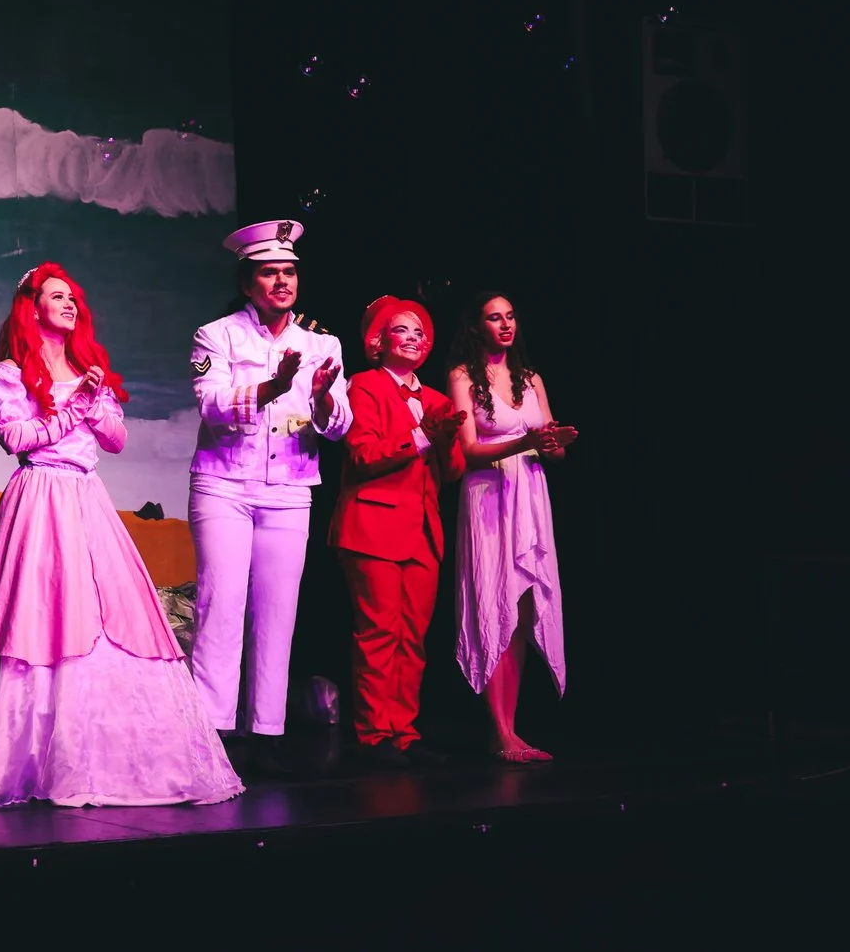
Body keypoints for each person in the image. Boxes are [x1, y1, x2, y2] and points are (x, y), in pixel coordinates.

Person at [0, 265, 243, 806]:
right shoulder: (9, 374)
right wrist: (76, 408)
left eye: (73, 298)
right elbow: (19, 437)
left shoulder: (89, 369)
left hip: (88, 500)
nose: (69, 304)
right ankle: (17, 759)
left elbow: (114, 439)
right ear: (31, 307)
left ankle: (101, 757)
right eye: (56, 296)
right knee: (31, 621)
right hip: (38, 499)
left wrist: (98, 396)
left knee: (110, 620)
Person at [187, 219, 352, 769]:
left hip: (290, 489)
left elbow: (339, 426)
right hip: (224, 485)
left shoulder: (322, 343)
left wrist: (324, 401)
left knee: (278, 610)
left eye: (289, 272)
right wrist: (272, 387)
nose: (281, 281)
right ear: (247, 281)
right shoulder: (215, 335)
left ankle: (267, 732)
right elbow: (211, 405)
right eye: (268, 272)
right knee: (221, 603)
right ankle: (213, 731)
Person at [332, 296, 465, 765]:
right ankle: (375, 735)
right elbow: (364, 455)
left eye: (419, 333)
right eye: (401, 330)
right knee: (379, 632)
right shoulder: (365, 386)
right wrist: (424, 436)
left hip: (423, 528)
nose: (413, 338)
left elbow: (450, 473)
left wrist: (446, 438)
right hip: (374, 523)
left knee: (414, 637)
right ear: (378, 341)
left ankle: (405, 732)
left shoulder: (436, 399)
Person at [447, 293, 577, 762]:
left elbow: (554, 452)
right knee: (494, 601)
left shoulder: (531, 379)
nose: (505, 324)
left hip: (530, 497)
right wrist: (525, 439)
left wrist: (554, 442)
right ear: (477, 325)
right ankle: (499, 731)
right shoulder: (464, 377)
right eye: (493, 317)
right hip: (489, 496)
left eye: (510, 316)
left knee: (522, 610)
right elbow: (466, 450)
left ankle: (511, 728)